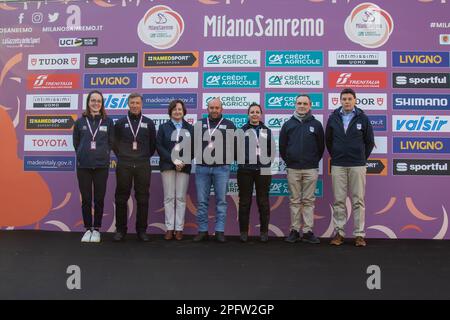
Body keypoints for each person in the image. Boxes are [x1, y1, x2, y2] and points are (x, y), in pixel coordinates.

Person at [325, 88, 375, 247]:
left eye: (349, 99)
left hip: (357, 165)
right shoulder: (333, 118)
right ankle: (339, 233)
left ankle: (359, 235)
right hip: (338, 164)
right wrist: (338, 155)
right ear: (340, 101)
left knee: (358, 200)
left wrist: (360, 157)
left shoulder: (363, 118)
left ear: (355, 100)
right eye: (344, 99)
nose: (346, 101)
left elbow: (369, 142)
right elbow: (329, 141)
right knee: (339, 200)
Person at [280, 94, 324, 244]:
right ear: (295, 105)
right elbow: (282, 147)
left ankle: (307, 231)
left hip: (310, 168)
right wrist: (291, 160)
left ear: (310, 105)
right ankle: (294, 230)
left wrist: (311, 160)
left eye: (305, 103)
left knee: (309, 200)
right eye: (299, 103)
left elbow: (320, 147)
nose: (302, 106)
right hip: (293, 168)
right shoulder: (288, 124)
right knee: (294, 200)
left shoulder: (316, 125)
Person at [112, 93, 156, 242]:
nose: (135, 105)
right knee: (121, 198)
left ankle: (142, 230)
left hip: (143, 164)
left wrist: (142, 157)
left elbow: (152, 146)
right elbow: (114, 143)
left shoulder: (149, 123)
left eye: (137, 103)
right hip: (124, 164)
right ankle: (120, 230)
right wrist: (124, 156)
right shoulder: (120, 123)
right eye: (132, 103)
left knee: (143, 198)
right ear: (128, 104)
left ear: (142, 105)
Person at [73, 90, 114, 243]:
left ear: (102, 104)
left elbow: (111, 142)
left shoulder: (108, 122)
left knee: (99, 198)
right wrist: (83, 154)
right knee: (86, 199)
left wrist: (103, 154)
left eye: (98, 101)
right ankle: (87, 229)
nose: (96, 103)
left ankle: (96, 229)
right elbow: (76, 143)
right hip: (83, 166)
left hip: (101, 166)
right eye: (93, 100)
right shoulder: (80, 122)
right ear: (88, 103)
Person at [193, 97, 236, 243]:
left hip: (221, 169)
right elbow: (192, 145)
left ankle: (219, 231)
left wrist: (226, 160)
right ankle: (203, 231)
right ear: (207, 109)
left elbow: (235, 146)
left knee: (221, 201)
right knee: (202, 201)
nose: (214, 110)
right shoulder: (199, 124)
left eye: (217, 108)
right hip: (202, 168)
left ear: (221, 109)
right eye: (212, 108)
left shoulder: (229, 125)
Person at [156, 99, 194, 241]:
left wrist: (182, 161)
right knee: (169, 197)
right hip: (168, 166)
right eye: (174, 109)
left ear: (184, 111)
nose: (177, 112)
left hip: (184, 167)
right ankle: (169, 228)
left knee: (180, 198)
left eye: (180, 109)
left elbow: (194, 148)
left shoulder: (190, 128)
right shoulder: (163, 127)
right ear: (170, 111)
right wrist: (174, 160)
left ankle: (179, 228)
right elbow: (159, 146)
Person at [237, 102, 273, 243]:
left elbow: (271, 151)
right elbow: (236, 150)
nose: (255, 114)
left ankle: (264, 232)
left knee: (263, 202)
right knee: (245, 202)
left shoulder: (267, 131)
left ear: (261, 114)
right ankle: (244, 232)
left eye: (257, 112)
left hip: (263, 170)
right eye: (252, 112)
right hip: (245, 170)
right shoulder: (241, 130)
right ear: (248, 114)